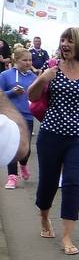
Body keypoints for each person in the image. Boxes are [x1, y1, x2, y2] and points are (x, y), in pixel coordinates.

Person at [27, 27, 79, 254]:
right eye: (63, 40)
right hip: (51, 135)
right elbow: (32, 96)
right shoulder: (51, 68)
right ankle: (44, 216)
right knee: (48, 182)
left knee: (73, 183)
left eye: (70, 41)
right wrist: (43, 78)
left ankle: (67, 236)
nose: (65, 44)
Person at [1, 46, 37, 187]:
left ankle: (23, 164)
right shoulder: (5, 75)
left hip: (27, 116)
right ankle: (12, 177)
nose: (28, 63)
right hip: (10, 116)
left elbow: (37, 96)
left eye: (30, 60)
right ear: (16, 60)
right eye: (25, 60)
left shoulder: (33, 77)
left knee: (25, 148)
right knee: (12, 146)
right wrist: (11, 92)